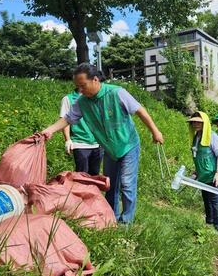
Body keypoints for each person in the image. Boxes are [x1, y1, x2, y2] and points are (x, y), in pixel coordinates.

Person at [41, 64, 164, 224]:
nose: (80, 90)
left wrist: (155, 132)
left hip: (128, 145)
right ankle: (111, 218)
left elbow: (140, 111)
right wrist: (49, 130)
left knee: (126, 183)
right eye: (77, 87)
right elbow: (67, 119)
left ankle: (126, 222)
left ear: (95, 79)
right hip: (109, 149)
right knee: (109, 184)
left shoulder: (116, 93)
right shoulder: (82, 102)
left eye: (83, 86)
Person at [188, 111, 218, 231]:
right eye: (194, 122)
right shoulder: (196, 137)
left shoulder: (212, 136)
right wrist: (196, 172)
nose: (196, 124)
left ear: (205, 123)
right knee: (206, 199)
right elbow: (199, 156)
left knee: (215, 200)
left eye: (199, 122)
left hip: (213, 175)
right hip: (203, 175)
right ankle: (209, 222)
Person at [60, 88, 103, 175]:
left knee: (95, 174)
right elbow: (64, 120)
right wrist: (68, 140)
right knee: (82, 174)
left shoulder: (96, 97)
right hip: (80, 142)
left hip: (98, 142)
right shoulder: (68, 99)